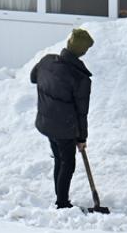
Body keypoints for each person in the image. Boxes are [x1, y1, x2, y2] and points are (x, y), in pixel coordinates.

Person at [30, 28, 104, 213]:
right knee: (68, 163)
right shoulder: (80, 78)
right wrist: (81, 138)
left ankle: (60, 197)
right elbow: (82, 112)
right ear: (83, 51)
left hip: (47, 122)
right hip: (64, 128)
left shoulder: (47, 61)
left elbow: (33, 77)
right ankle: (62, 203)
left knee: (59, 160)